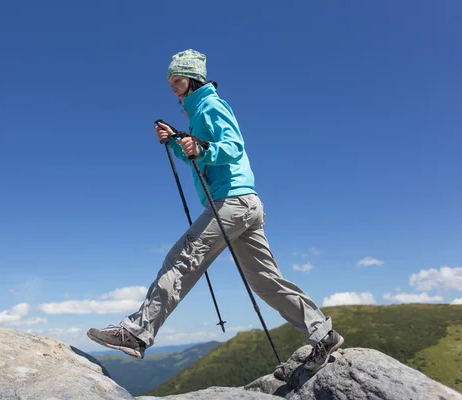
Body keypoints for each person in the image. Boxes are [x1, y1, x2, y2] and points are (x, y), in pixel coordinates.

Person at [86, 49, 344, 373]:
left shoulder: (211, 105)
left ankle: (137, 332)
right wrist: (176, 141)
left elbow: (234, 146)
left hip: (231, 203)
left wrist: (203, 147)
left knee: (180, 261)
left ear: (192, 79)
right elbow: (200, 160)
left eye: (176, 80)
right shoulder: (196, 114)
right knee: (265, 281)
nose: (172, 87)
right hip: (245, 204)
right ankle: (323, 334)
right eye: (169, 82)